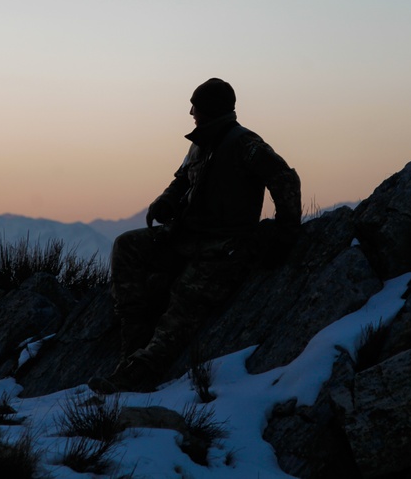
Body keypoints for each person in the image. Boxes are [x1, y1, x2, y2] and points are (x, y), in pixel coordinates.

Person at [88, 78, 302, 394]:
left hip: (224, 247)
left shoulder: (246, 144)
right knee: (127, 246)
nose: (191, 112)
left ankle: (141, 373)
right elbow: (181, 180)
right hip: (186, 237)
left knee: (184, 302)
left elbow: (284, 179)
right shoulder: (201, 143)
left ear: (210, 109)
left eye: (195, 107)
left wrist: (285, 233)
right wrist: (165, 200)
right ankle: (131, 349)